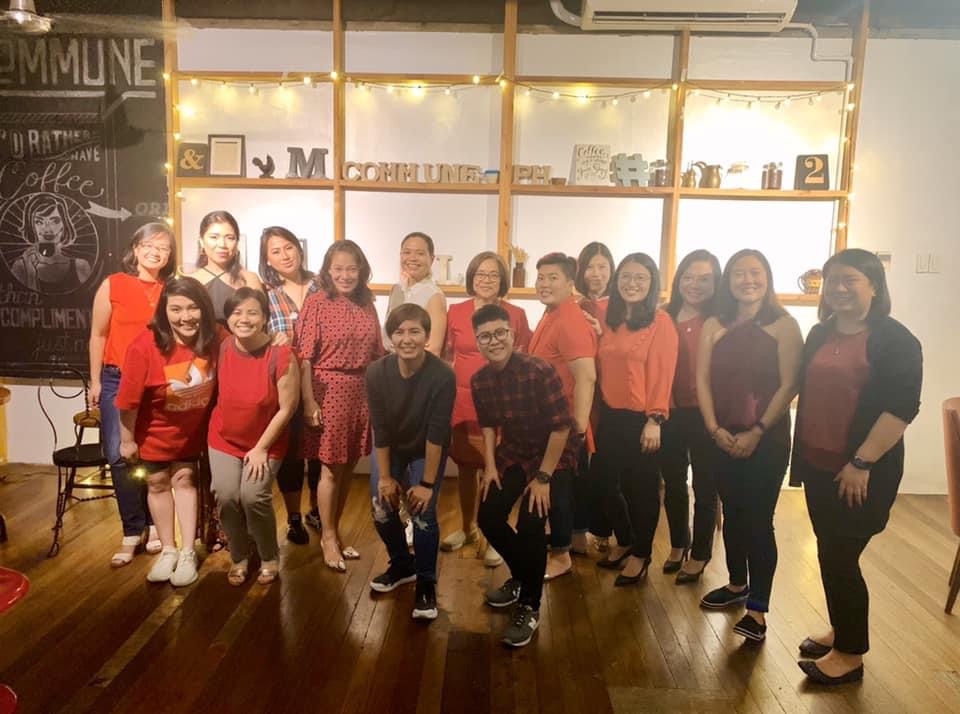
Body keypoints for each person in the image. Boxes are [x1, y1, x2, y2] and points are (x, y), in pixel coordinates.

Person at [791, 249, 921, 685]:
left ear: (875, 287)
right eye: (834, 281)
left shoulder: (896, 341)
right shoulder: (820, 333)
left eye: (851, 280)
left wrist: (862, 461)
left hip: (861, 471)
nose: (840, 288)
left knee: (841, 556)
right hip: (817, 464)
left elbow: (901, 409)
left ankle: (850, 654)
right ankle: (841, 629)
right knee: (830, 550)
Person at [696, 249, 803, 642]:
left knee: (758, 519)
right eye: (739, 273)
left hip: (766, 438)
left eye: (755, 272)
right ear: (729, 281)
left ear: (767, 277)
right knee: (733, 514)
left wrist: (757, 430)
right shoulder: (714, 323)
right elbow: (702, 379)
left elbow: (790, 384)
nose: (747, 280)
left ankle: (757, 610)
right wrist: (713, 428)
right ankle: (737, 584)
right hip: (720, 435)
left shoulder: (785, 325)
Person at [472, 304, 579, 647]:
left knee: (532, 522)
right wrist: (490, 466)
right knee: (488, 516)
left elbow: (562, 428)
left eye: (500, 333)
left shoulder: (539, 371)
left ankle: (530, 604)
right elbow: (489, 426)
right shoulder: (480, 380)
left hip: (554, 454)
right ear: (477, 342)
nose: (494, 341)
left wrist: (543, 478)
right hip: (515, 450)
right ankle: (522, 575)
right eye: (485, 336)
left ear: (513, 334)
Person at [115, 277, 220, 587]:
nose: (185, 317)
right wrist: (127, 440)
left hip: (191, 433)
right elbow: (128, 401)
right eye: (176, 309)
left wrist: (277, 339)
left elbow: (247, 340)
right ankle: (168, 550)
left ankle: (187, 552)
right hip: (153, 432)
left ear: (204, 309)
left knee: (185, 480)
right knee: (157, 483)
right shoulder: (143, 346)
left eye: (192, 308)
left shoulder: (215, 338)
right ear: (164, 311)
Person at [89, 222, 177, 567]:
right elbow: (98, 335)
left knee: (152, 452)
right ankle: (132, 529)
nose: (155, 252)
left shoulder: (171, 289)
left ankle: (156, 525)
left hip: (156, 381)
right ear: (136, 249)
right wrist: (95, 381)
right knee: (118, 453)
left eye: (163, 247)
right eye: (149, 245)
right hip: (115, 377)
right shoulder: (113, 284)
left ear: (170, 255)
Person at [296, 240, 383, 572]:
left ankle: (336, 530)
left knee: (349, 467)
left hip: (362, 390)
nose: (345, 275)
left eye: (352, 268)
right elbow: (304, 357)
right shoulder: (317, 303)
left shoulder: (367, 303)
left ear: (361, 270)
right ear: (327, 271)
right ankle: (328, 536)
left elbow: (377, 353)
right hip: (327, 389)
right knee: (331, 468)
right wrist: (308, 400)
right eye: (338, 269)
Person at [366, 303, 456, 620]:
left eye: (415, 331)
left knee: (423, 513)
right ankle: (402, 564)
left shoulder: (443, 374)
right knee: (381, 506)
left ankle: (426, 583)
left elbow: (437, 432)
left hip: (426, 447)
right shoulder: (376, 372)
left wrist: (427, 484)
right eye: (399, 332)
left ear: (427, 336)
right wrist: (386, 478)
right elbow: (380, 428)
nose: (407, 339)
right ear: (390, 338)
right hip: (392, 445)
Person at [441, 251, 531, 567]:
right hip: (463, 402)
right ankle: (468, 529)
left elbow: (524, 357)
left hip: (501, 403)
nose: (486, 280)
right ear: (471, 278)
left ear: (502, 280)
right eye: (480, 274)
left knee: (498, 470)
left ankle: (494, 534)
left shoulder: (516, 314)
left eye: (493, 274)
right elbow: (447, 356)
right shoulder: (456, 312)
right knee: (466, 468)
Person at [594, 253, 678, 586]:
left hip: (644, 419)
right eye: (626, 276)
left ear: (652, 283)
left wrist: (655, 419)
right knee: (604, 481)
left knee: (642, 489)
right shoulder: (607, 317)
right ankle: (625, 538)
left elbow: (663, 373)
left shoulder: (660, 322)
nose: (632, 283)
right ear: (617, 281)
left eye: (641, 277)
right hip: (610, 414)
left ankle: (641, 554)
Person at [209, 288, 300, 586]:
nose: (244, 319)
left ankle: (268, 555)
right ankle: (239, 555)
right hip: (224, 437)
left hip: (266, 441)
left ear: (265, 318)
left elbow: (287, 409)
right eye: (237, 313)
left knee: (253, 496)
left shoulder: (281, 354)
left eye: (252, 312)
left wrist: (261, 448)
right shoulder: (223, 345)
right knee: (226, 495)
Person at [528, 252, 596, 580]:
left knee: (559, 490)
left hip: (564, 423)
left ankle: (561, 554)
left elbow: (586, 375)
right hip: (547, 420)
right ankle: (566, 541)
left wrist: (578, 428)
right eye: (541, 277)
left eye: (553, 277)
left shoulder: (570, 318)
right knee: (561, 487)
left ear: (570, 283)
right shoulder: (553, 313)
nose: (544, 283)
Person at [660, 250, 723, 583]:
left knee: (705, 485)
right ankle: (677, 544)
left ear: (716, 283)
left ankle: (700, 553)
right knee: (673, 482)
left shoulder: (721, 319)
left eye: (704, 279)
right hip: (669, 410)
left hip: (707, 413)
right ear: (678, 280)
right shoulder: (663, 315)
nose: (694, 284)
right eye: (688, 277)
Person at [258, 226, 321, 544]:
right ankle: (294, 517)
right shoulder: (266, 293)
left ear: (299, 248)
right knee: (292, 451)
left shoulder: (322, 284)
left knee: (322, 451)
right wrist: (270, 337)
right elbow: (253, 330)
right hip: (286, 381)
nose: (285, 255)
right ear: (267, 259)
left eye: (289, 247)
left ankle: (318, 509)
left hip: (323, 379)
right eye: (276, 251)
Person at [574, 241, 615, 553]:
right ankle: (576, 528)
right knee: (578, 462)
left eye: (603, 267)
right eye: (590, 267)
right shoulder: (574, 305)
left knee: (604, 461)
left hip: (609, 391)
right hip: (580, 389)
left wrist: (601, 333)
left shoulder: (620, 306)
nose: (596, 273)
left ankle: (603, 528)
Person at [186, 210, 263, 323]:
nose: (222, 244)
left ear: (237, 242)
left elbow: (260, 321)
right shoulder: (191, 281)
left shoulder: (249, 279)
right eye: (214, 237)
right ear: (201, 241)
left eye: (230, 238)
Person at [12, 192, 92, 292]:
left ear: (65, 224)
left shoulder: (81, 266)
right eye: (39, 222)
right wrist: (31, 274)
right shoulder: (21, 266)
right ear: (31, 226)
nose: (47, 229)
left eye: (55, 221)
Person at [383, 231, 447, 355]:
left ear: (431, 259)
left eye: (420, 253)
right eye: (407, 252)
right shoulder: (396, 289)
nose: (412, 258)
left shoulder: (434, 296)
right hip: (390, 362)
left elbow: (433, 350)